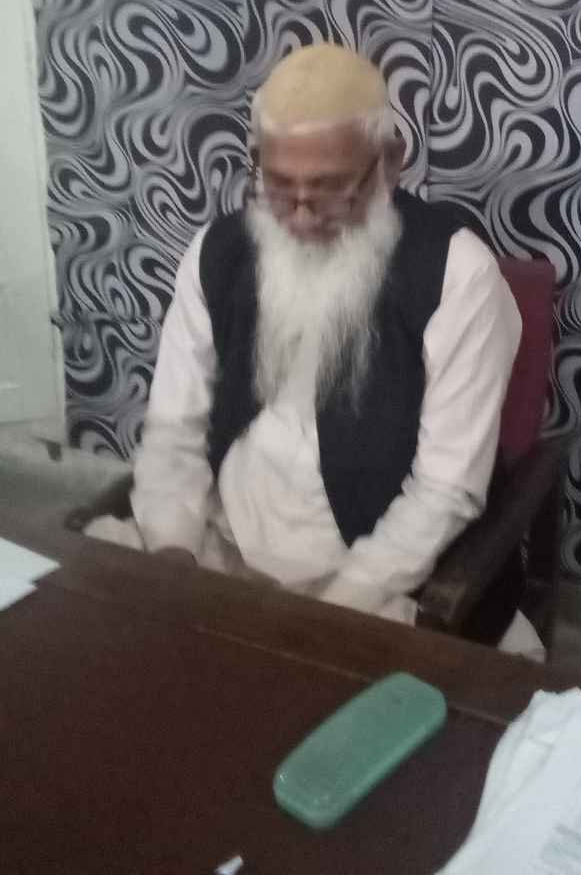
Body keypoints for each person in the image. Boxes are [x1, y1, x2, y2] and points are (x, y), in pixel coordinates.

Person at [87, 42, 541, 655]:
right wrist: (173, 551)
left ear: (389, 163)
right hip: (220, 551)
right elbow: (176, 429)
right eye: (278, 186)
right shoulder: (217, 253)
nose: (300, 218)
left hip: (378, 579)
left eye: (329, 189)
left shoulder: (459, 277)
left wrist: (331, 614)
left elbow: (444, 490)